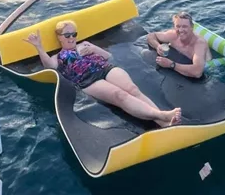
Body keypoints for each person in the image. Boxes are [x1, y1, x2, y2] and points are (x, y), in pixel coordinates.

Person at [24, 20, 182, 128]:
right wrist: (39, 47)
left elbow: (108, 56)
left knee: (133, 90)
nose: (71, 38)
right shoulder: (58, 56)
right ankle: (162, 116)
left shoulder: (85, 44)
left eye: (74, 34)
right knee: (120, 96)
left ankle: (163, 121)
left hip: (105, 68)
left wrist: (93, 49)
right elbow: (49, 66)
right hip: (88, 80)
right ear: (59, 37)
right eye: (67, 35)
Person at [147, 11, 212, 78]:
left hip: (208, 72)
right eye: (178, 26)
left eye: (184, 26)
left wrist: (171, 64)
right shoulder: (173, 35)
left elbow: (197, 72)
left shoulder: (199, 44)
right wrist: (157, 46)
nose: (180, 30)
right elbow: (151, 36)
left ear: (191, 27)